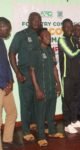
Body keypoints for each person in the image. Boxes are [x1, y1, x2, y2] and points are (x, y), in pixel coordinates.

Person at [9, 12, 42, 141]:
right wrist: (17, 72)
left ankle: (34, 124)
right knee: (26, 102)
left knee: (37, 100)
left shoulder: (40, 36)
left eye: (39, 20)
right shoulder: (21, 35)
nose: (37, 22)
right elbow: (11, 53)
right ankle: (25, 130)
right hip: (25, 74)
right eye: (34, 19)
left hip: (38, 73)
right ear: (29, 21)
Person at [29, 28, 64, 147]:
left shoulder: (50, 51)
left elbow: (54, 68)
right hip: (41, 88)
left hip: (51, 87)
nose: (49, 37)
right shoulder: (35, 52)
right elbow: (32, 71)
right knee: (40, 113)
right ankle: (41, 137)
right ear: (40, 38)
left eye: (49, 35)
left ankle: (52, 132)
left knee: (50, 112)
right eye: (46, 36)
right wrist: (37, 89)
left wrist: (58, 83)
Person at [58, 19, 80, 134]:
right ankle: (66, 124)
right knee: (67, 101)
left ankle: (74, 121)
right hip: (67, 76)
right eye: (67, 26)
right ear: (63, 28)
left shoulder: (73, 39)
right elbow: (71, 54)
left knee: (75, 99)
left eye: (71, 26)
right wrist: (79, 47)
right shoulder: (62, 40)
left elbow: (79, 58)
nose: (70, 28)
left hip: (76, 76)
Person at [0, 17, 17, 150]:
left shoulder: (1, 41)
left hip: (6, 86)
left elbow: (5, 62)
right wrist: (2, 84)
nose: (9, 32)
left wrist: (11, 80)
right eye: (8, 29)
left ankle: (7, 140)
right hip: (1, 87)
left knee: (12, 112)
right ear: (1, 26)